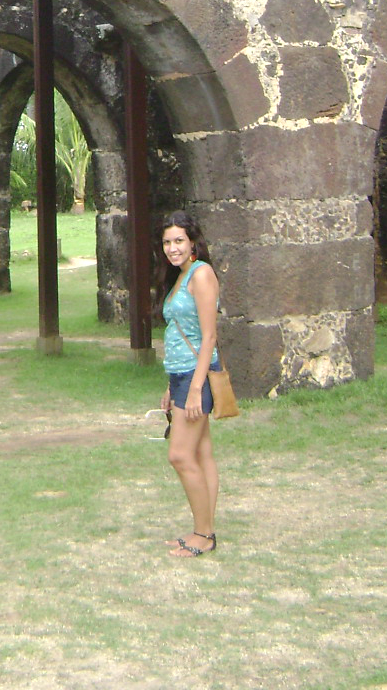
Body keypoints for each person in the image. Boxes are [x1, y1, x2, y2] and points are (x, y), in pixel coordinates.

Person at [158, 210, 220, 557]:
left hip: (198, 376)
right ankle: (205, 529)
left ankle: (203, 534)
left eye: (179, 240)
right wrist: (172, 385)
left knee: (180, 455)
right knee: (201, 453)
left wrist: (195, 388)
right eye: (167, 242)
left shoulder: (201, 275)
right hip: (181, 375)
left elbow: (209, 336)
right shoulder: (180, 277)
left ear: (193, 242)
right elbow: (182, 335)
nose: (172, 248)